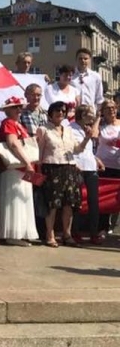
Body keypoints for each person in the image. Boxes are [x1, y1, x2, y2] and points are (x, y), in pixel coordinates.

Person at [37, 101, 90, 247]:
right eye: (57, 110)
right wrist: (39, 170)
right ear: (50, 113)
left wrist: (86, 138)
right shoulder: (43, 129)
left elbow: (77, 149)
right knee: (52, 204)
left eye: (63, 111)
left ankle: (67, 235)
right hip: (52, 168)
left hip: (69, 168)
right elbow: (39, 153)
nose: (60, 113)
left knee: (69, 204)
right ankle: (50, 234)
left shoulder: (68, 130)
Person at [0, 96, 38, 246]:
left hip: (21, 167)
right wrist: (27, 162)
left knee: (23, 198)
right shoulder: (8, 123)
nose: (19, 109)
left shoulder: (18, 124)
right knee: (14, 199)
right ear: (7, 110)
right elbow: (13, 143)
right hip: (14, 167)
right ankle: (12, 233)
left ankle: (21, 232)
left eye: (20, 107)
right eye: (15, 107)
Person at [70, 104, 101, 245]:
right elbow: (74, 149)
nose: (93, 116)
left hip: (91, 167)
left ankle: (94, 233)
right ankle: (75, 232)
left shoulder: (88, 128)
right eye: (91, 114)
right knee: (77, 201)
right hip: (78, 167)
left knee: (93, 201)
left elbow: (89, 149)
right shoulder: (71, 129)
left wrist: (96, 159)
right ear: (83, 115)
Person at [96, 100, 120, 238]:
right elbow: (94, 135)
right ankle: (102, 228)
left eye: (113, 107)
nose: (111, 110)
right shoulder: (101, 125)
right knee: (104, 198)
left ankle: (115, 227)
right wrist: (98, 118)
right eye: (108, 108)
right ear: (103, 111)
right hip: (104, 166)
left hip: (118, 165)